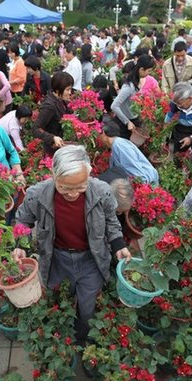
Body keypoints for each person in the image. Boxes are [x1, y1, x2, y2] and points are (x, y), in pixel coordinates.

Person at [12, 145, 131, 343]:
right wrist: (21, 244)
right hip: (56, 258)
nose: (73, 193)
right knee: (59, 301)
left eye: (80, 186)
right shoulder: (38, 194)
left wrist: (119, 244)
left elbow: (111, 221)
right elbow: (23, 219)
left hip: (90, 259)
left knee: (87, 309)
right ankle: (61, 342)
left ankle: (84, 343)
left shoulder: (101, 192)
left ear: (88, 176)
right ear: (53, 176)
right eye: (65, 187)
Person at [99, 118, 159, 184]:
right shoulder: (116, 144)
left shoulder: (120, 146)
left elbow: (139, 175)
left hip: (148, 181)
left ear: (104, 133)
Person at [111, 54, 155, 140]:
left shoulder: (137, 82)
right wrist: (127, 122)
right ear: (142, 69)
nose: (149, 74)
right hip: (124, 123)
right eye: (149, 71)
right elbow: (114, 106)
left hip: (133, 120)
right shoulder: (129, 87)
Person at [31, 71, 74, 156]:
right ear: (58, 89)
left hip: (62, 145)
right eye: (67, 89)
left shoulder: (60, 99)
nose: (70, 92)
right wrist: (52, 138)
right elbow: (35, 129)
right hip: (54, 149)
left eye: (70, 89)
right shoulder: (49, 106)